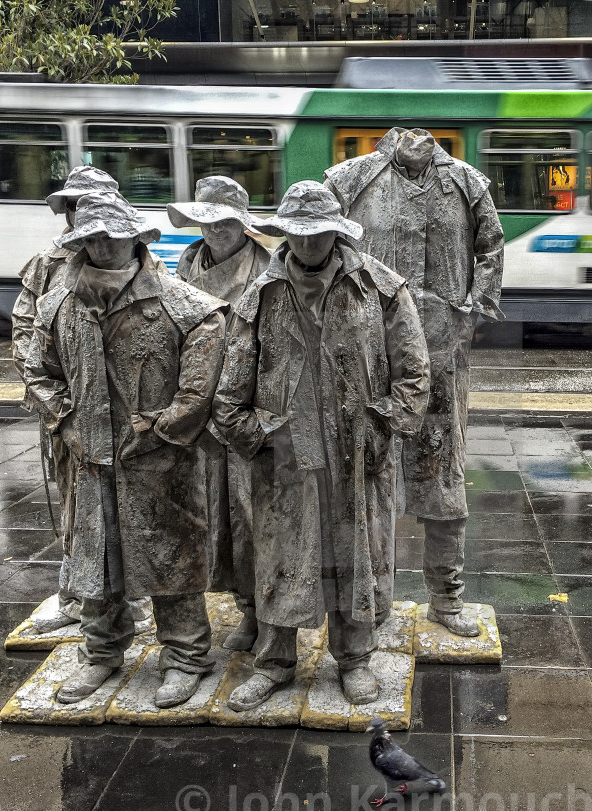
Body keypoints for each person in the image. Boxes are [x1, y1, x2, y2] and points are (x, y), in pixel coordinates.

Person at [213, 181, 430, 710]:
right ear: (284, 233)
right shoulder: (259, 297)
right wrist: (261, 438)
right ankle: (275, 662)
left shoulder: (381, 289)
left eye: (319, 235)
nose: (308, 246)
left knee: (356, 554)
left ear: (337, 231)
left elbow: (415, 375)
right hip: (285, 463)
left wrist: (379, 429)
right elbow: (229, 394)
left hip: (357, 458)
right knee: (281, 557)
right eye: (298, 235)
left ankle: (355, 659)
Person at [25, 192, 228, 709]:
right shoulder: (58, 306)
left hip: (158, 462)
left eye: (112, 235)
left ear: (136, 237)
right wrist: (65, 421)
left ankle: (185, 657)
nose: (102, 245)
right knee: (94, 557)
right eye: (91, 236)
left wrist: (162, 430)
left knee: (171, 556)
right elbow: (38, 374)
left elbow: (198, 389)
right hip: (87, 458)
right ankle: (101, 653)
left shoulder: (185, 307)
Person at [325, 126, 504, 637]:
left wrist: (474, 306)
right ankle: (369, 601)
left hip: (444, 356)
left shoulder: (468, 184)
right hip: (370, 354)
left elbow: (492, 245)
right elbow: (317, 238)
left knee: (443, 480)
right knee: (364, 479)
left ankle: (446, 597)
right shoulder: (350, 178)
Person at [11, 165, 119, 635]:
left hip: (121, 408)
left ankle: (128, 598)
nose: (82, 214)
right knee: (75, 505)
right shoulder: (46, 264)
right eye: (75, 205)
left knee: (127, 505)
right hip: (67, 409)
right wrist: (55, 404)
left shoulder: (127, 252)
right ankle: (76, 596)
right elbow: (24, 332)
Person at [167, 176, 271, 652]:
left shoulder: (265, 268)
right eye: (206, 223)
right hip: (196, 409)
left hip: (245, 408)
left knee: (252, 518)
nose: (214, 233)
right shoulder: (185, 263)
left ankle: (258, 612)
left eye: (224, 224)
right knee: (207, 517)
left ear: (241, 224)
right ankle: (229, 599)